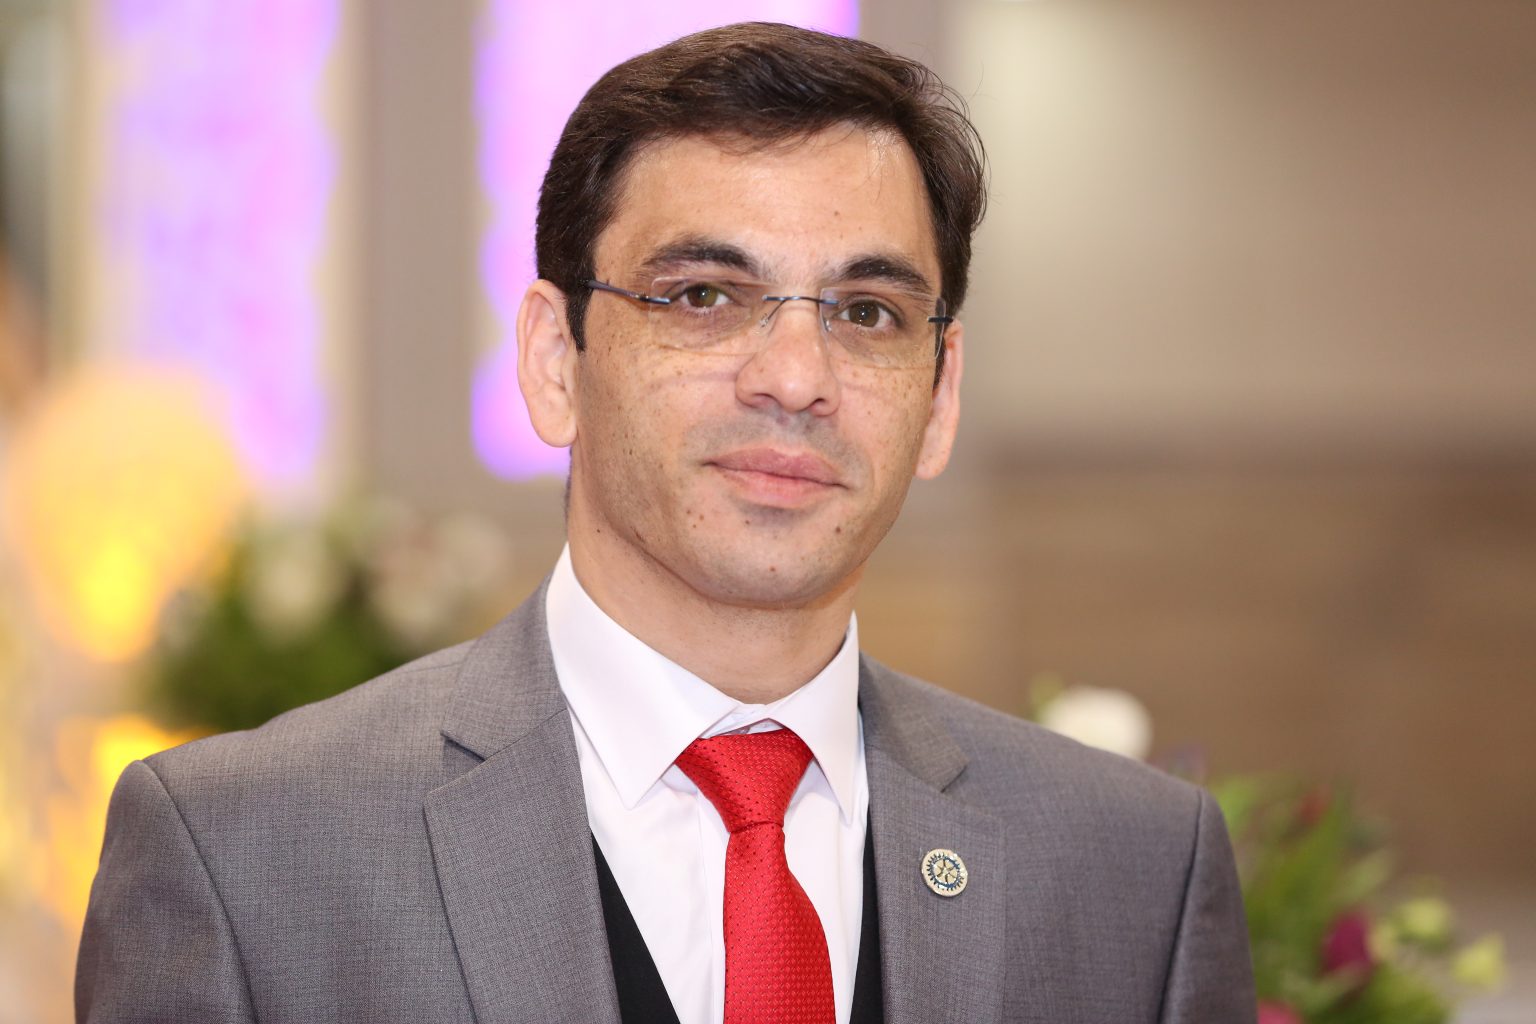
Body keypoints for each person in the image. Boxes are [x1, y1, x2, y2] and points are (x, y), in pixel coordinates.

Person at [77, 22, 1256, 1024]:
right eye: (703, 296)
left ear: (939, 397)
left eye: (866, 311)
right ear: (556, 360)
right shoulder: (248, 857)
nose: (795, 377)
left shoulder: (1131, 872)